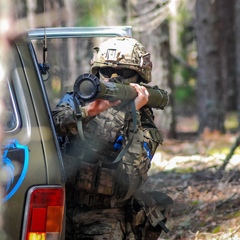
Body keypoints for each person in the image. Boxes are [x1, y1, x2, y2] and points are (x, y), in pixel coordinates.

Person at [52, 36, 173, 240]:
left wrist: (128, 113)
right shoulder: (78, 101)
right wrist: (87, 112)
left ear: (139, 77)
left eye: (124, 72)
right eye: (105, 71)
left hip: (105, 218)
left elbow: (129, 178)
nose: (113, 77)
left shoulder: (142, 116)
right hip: (61, 208)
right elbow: (52, 126)